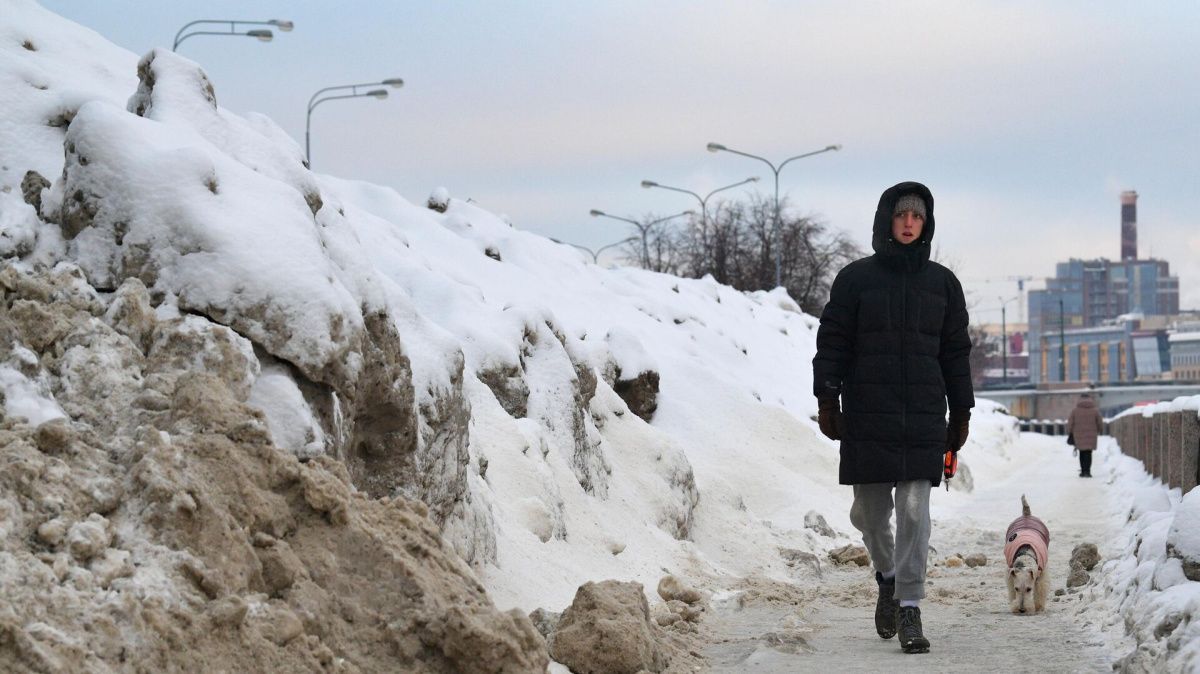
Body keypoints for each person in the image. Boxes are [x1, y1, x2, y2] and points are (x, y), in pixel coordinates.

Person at [812, 182, 973, 655]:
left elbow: (956, 352)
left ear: (926, 224)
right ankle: (887, 577)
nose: (908, 224)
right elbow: (833, 341)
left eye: (917, 217)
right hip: (867, 414)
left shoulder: (943, 283)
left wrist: (961, 411)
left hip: (923, 415)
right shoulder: (855, 279)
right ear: (887, 220)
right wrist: (827, 399)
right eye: (902, 215)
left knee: (914, 512)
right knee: (868, 513)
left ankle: (909, 605)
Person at [1066, 393, 1103, 477]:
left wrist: (1069, 432)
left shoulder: (1075, 410)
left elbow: (1070, 422)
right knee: (1089, 453)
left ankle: (1083, 471)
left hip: (1078, 435)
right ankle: (1088, 472)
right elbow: (1099, 422)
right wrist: (1100, 430)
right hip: (1091, 435)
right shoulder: (1095, 410)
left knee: (1082, 453)